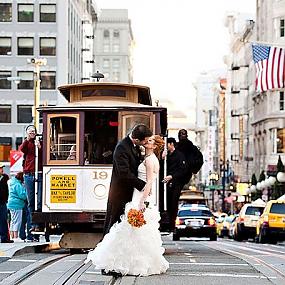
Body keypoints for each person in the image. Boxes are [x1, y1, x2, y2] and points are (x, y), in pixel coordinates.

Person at [86, 135, 169, 276]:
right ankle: (127, 263)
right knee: (132, 232)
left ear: (154, 146)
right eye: (146, 139)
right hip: (137, 195)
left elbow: (149, 183)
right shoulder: (147, 157)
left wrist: (142, 201)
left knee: (127, 230)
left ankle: (118, 262)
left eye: (149, 141)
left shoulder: (150, 160)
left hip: (139, 197)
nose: (146, 142)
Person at [102, 123, 153, 236]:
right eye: (145, 141)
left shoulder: (133, 146)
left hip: (130, 192)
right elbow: (124, 173)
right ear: (136, 139)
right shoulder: (122, 148)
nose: (146, 143)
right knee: (115, 224)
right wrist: (143, 185)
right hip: (120, 193)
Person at [19, 125, 43, 236]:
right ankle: (32, 226)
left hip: (39, 173)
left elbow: (45, 156)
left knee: (39, 200)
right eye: (30, 132)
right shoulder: (27, 143)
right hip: (29, 174)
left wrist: (40, 147)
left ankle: (38, 224)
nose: (32, 133)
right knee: (31, 201)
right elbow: (22, 149)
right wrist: (28, 139)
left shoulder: (40, 142)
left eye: (33, 132)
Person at [163, 137, 187, 232]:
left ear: (171, 144)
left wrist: (172, 176)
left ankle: (172, 225)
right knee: (167, 203)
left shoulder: (180, 156)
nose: (166, 147)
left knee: (173, 203)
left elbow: (183, 170)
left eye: (167, 144)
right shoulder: (167, 155)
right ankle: (167, 224)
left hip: (176, 183)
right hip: (166, 183)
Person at [7, 172, 27, 242]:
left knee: (12, 221)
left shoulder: (11, 183)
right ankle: (16, 237)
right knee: (17, 221)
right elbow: (22, 195)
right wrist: (27, 194)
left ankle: (12, 236)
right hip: (17, 204)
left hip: (10, 204)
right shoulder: (17, 185)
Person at [0, 164, 13, 243]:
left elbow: (6, 191)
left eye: (2, 168)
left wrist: (6, 199)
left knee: (4, 221)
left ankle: (4, 238)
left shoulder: (4, 178)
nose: (2, 170)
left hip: (3, 202)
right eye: (0, 168)